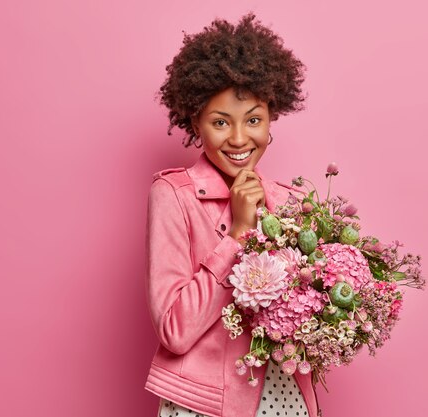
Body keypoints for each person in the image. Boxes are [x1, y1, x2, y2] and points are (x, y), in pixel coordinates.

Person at [144, 13, 319, 417]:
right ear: (195, 122)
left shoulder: (292, 203)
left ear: (272, 117)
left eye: (254, 120)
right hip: (205, 403)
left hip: (286, 398)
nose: (239, 139)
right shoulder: (173, 195)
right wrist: (238, 232)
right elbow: (175, 330)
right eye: (221, 122)